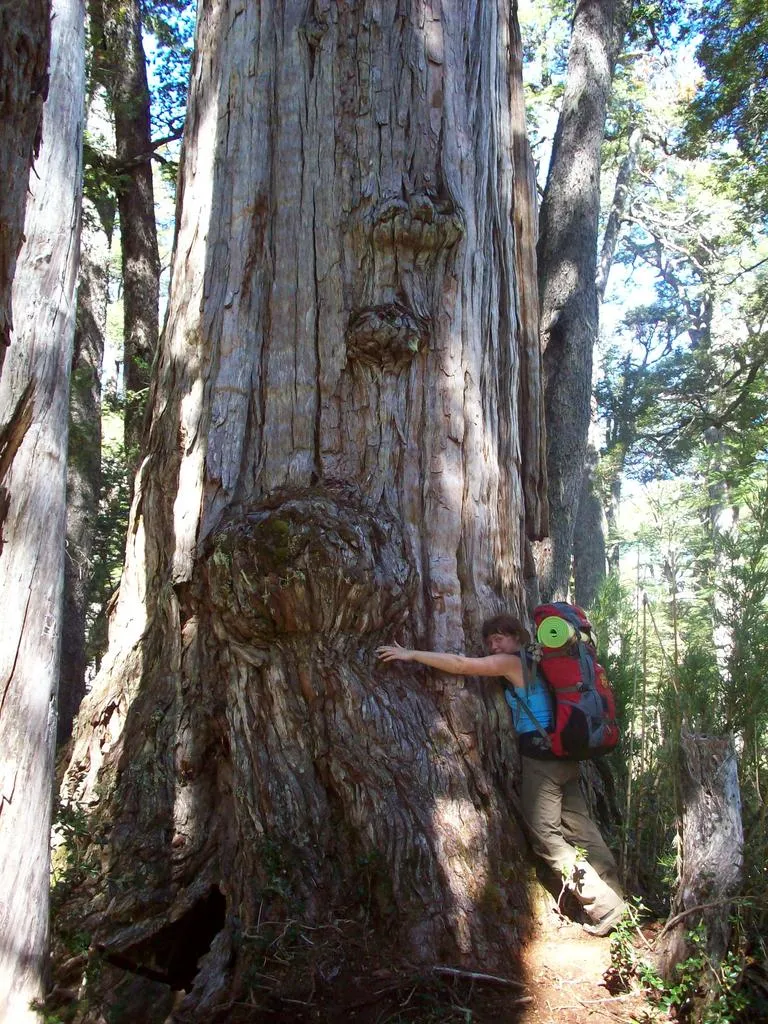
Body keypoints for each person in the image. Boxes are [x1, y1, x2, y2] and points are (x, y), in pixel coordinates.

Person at [376, 613, 627, 936]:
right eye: (490, 640)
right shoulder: (546, 664)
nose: (494, 644)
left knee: (546, 837)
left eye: (500, 637)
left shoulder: (512, 663)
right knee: (582, 827)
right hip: (568, 754)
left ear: (518, 638)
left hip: (542, 759)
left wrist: (411, 654)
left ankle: (606, 907)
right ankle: (616, 893)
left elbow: (460, 664)